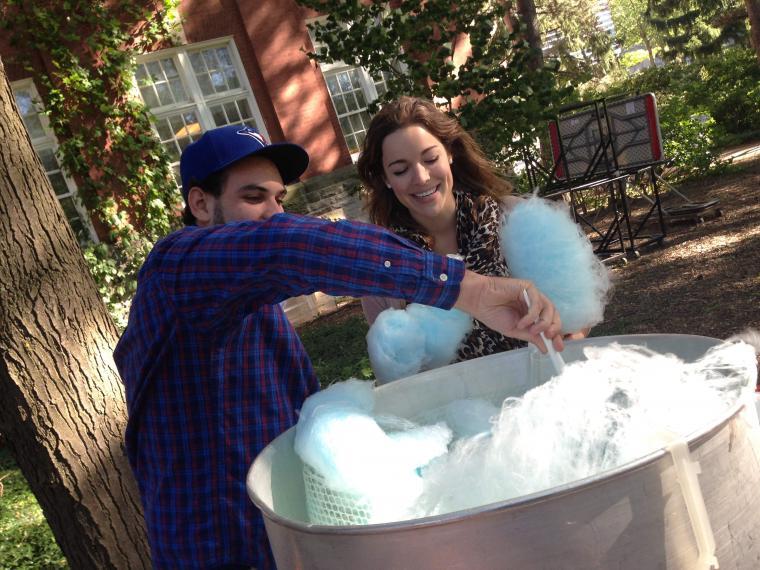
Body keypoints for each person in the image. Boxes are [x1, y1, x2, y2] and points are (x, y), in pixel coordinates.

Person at [113, 124, 564, 569]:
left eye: (278, 198)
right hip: (217, 547)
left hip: (278, 535)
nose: (275, 213)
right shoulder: (177, 268)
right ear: (200, 203)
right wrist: (468, 289)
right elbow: (286, 245)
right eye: (253, 198)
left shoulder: (250, 299)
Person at [358, 96, 585, 364]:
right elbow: (401, 374)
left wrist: (570, 333)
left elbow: (576, 317)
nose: (421, 177)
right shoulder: (385, 268)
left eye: (430, 159)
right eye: (400, 170)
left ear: (450, 153)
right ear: (384, 179)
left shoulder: (515, 218)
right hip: (460, 403)